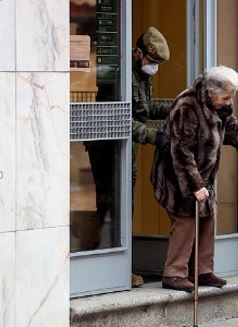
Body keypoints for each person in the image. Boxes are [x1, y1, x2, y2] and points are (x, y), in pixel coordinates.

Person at [151, 65, 238, 292]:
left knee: (208, 218)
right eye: (226, 97)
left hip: (204, 177)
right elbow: (181, 150)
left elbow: (230, 127)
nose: (229, 102)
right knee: (186, 220)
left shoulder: (216, 105)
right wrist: (195, 185)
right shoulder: (187, 106)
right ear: (211, 92)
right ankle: (173, 274)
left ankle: (202, 271)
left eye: (232, 97)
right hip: (178, 176)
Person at [86, 26, 172, 288]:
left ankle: (117, 265)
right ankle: (108, 267)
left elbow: (145, 109)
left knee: (123, 209)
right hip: (108, 151)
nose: (154, 67)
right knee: (111, 208)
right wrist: (154, 136)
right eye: (153, 61)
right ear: (138, 53)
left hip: (124, 154)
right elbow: (123, 119)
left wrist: (177, 105)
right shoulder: (120, 77)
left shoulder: (140, 76)